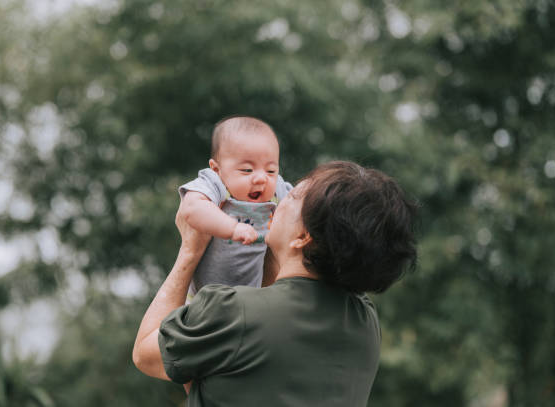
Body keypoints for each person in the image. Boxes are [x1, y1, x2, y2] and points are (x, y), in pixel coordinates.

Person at [133, 161, 418, 406]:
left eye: (292, 196)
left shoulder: (232, 312)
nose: (279, 199)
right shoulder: (365, 322)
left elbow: (147, 352)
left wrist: (190, 250)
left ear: (303, 237)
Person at [178, 116, 292, 298]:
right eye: (247, 170)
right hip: (204, 299)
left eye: (270, 170)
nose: (261, 178)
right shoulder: (216, 184)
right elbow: (191, 208)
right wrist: (232, 228)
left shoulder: (277, 189)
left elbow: (302, 208)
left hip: (250, 298)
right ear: (217, 169)